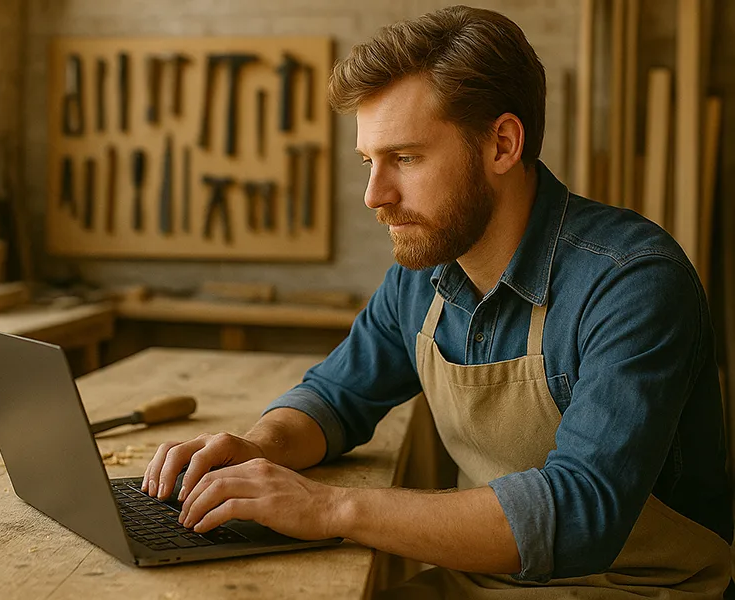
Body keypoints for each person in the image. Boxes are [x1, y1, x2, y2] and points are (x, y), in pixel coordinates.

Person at [142, 5, 733, 597]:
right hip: (481, 580)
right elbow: (335, 396)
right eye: (369, 162)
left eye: (405, 158)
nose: (376, 195)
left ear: (501, 144)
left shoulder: (631, 282)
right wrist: (257, 449)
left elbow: (579, 515)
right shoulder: (424, 273)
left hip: (639, 589)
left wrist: (331, 509)